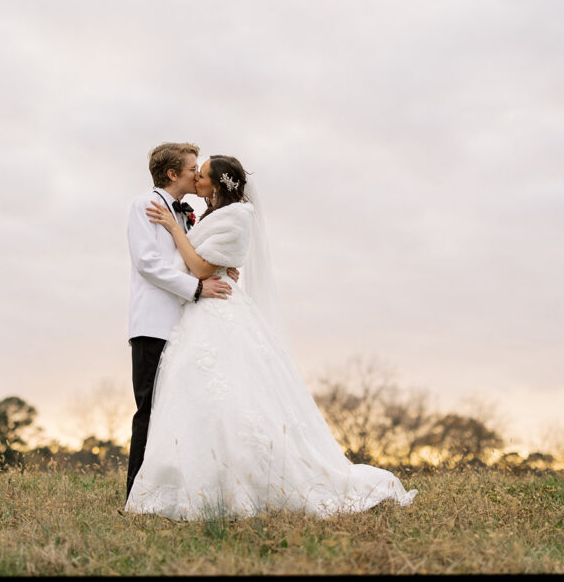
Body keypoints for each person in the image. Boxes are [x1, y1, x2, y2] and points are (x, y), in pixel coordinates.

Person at [124, 155, 417, 520]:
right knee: (201, 403)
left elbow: (199, 266)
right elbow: (188, 261)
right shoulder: (197, 213)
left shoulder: (234, 216)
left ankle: (242, 481)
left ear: (216, 184)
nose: (196, 177)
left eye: (201, 174)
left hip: (215, 311)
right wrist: (203, 260)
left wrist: (182, 237)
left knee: (228, 399)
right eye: (193, 171)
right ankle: (195, 478)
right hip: (194, 313)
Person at [125, 142, 239, 502]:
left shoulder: (187, 214)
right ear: (173, 174)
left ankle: (175, 492)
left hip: (186, 326)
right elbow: (149, 264)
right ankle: (136, 494)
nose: (198, 174)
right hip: (154, 324)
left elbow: (191, 257)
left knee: (183, 408)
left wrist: (220, 267)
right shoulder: (144, 206)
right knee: (150, 409)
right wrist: (197, 287)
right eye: (192, 169)